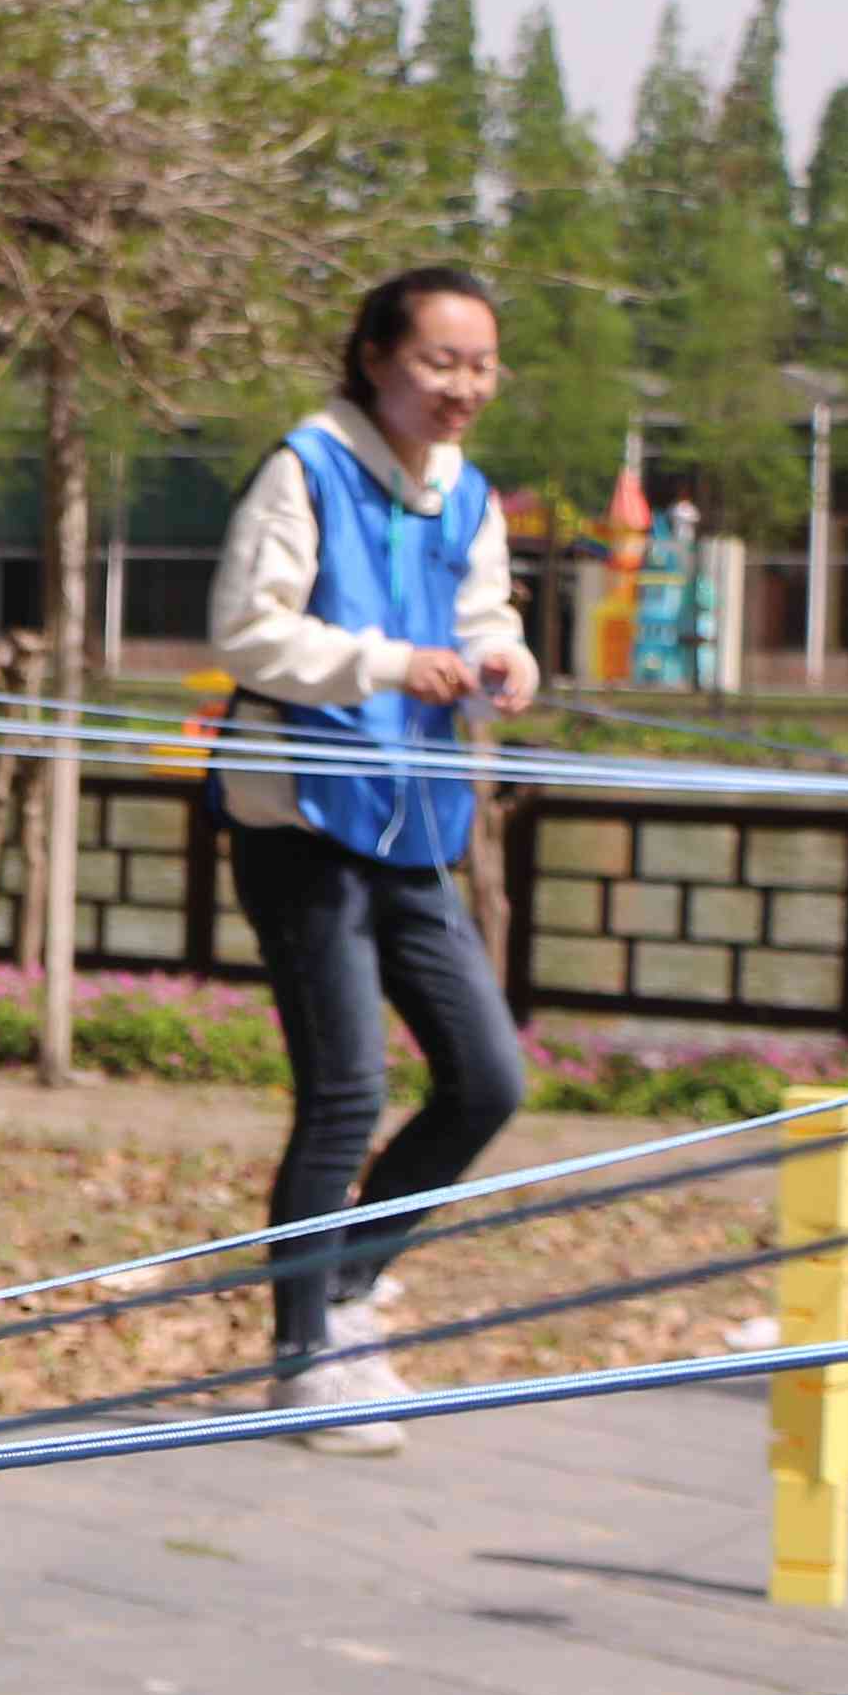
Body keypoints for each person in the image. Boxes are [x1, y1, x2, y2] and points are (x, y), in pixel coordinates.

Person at [206, 264, 542, 1455]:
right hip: (300, 819)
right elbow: (248, 633)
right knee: (346, 1091)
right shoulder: (307, 467)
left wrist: (506, 662)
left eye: (481, 365)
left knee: (488, 1078)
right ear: (374, 360)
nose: (464, 388)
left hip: (415, 824)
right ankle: (303, 1358)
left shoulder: (469, 494)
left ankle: (351, 1299)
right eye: (439, 363)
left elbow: (486, 616)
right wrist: (391, 664)